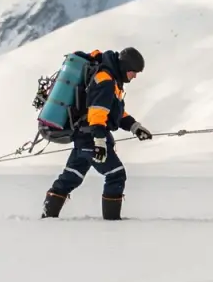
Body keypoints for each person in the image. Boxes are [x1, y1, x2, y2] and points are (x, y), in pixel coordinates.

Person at [41, 47, 152, 220]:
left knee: (71, 177)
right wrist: (99, 143)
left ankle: (48, 218)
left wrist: (135, 127)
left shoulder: (110, 79)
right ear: (124, 67)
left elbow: (113, 112)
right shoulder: (105, 80)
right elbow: (97, 112)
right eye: (133, 72)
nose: (135, 76)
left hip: (84, 136)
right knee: (116, 175)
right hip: (92, 138)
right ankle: (112, 224)